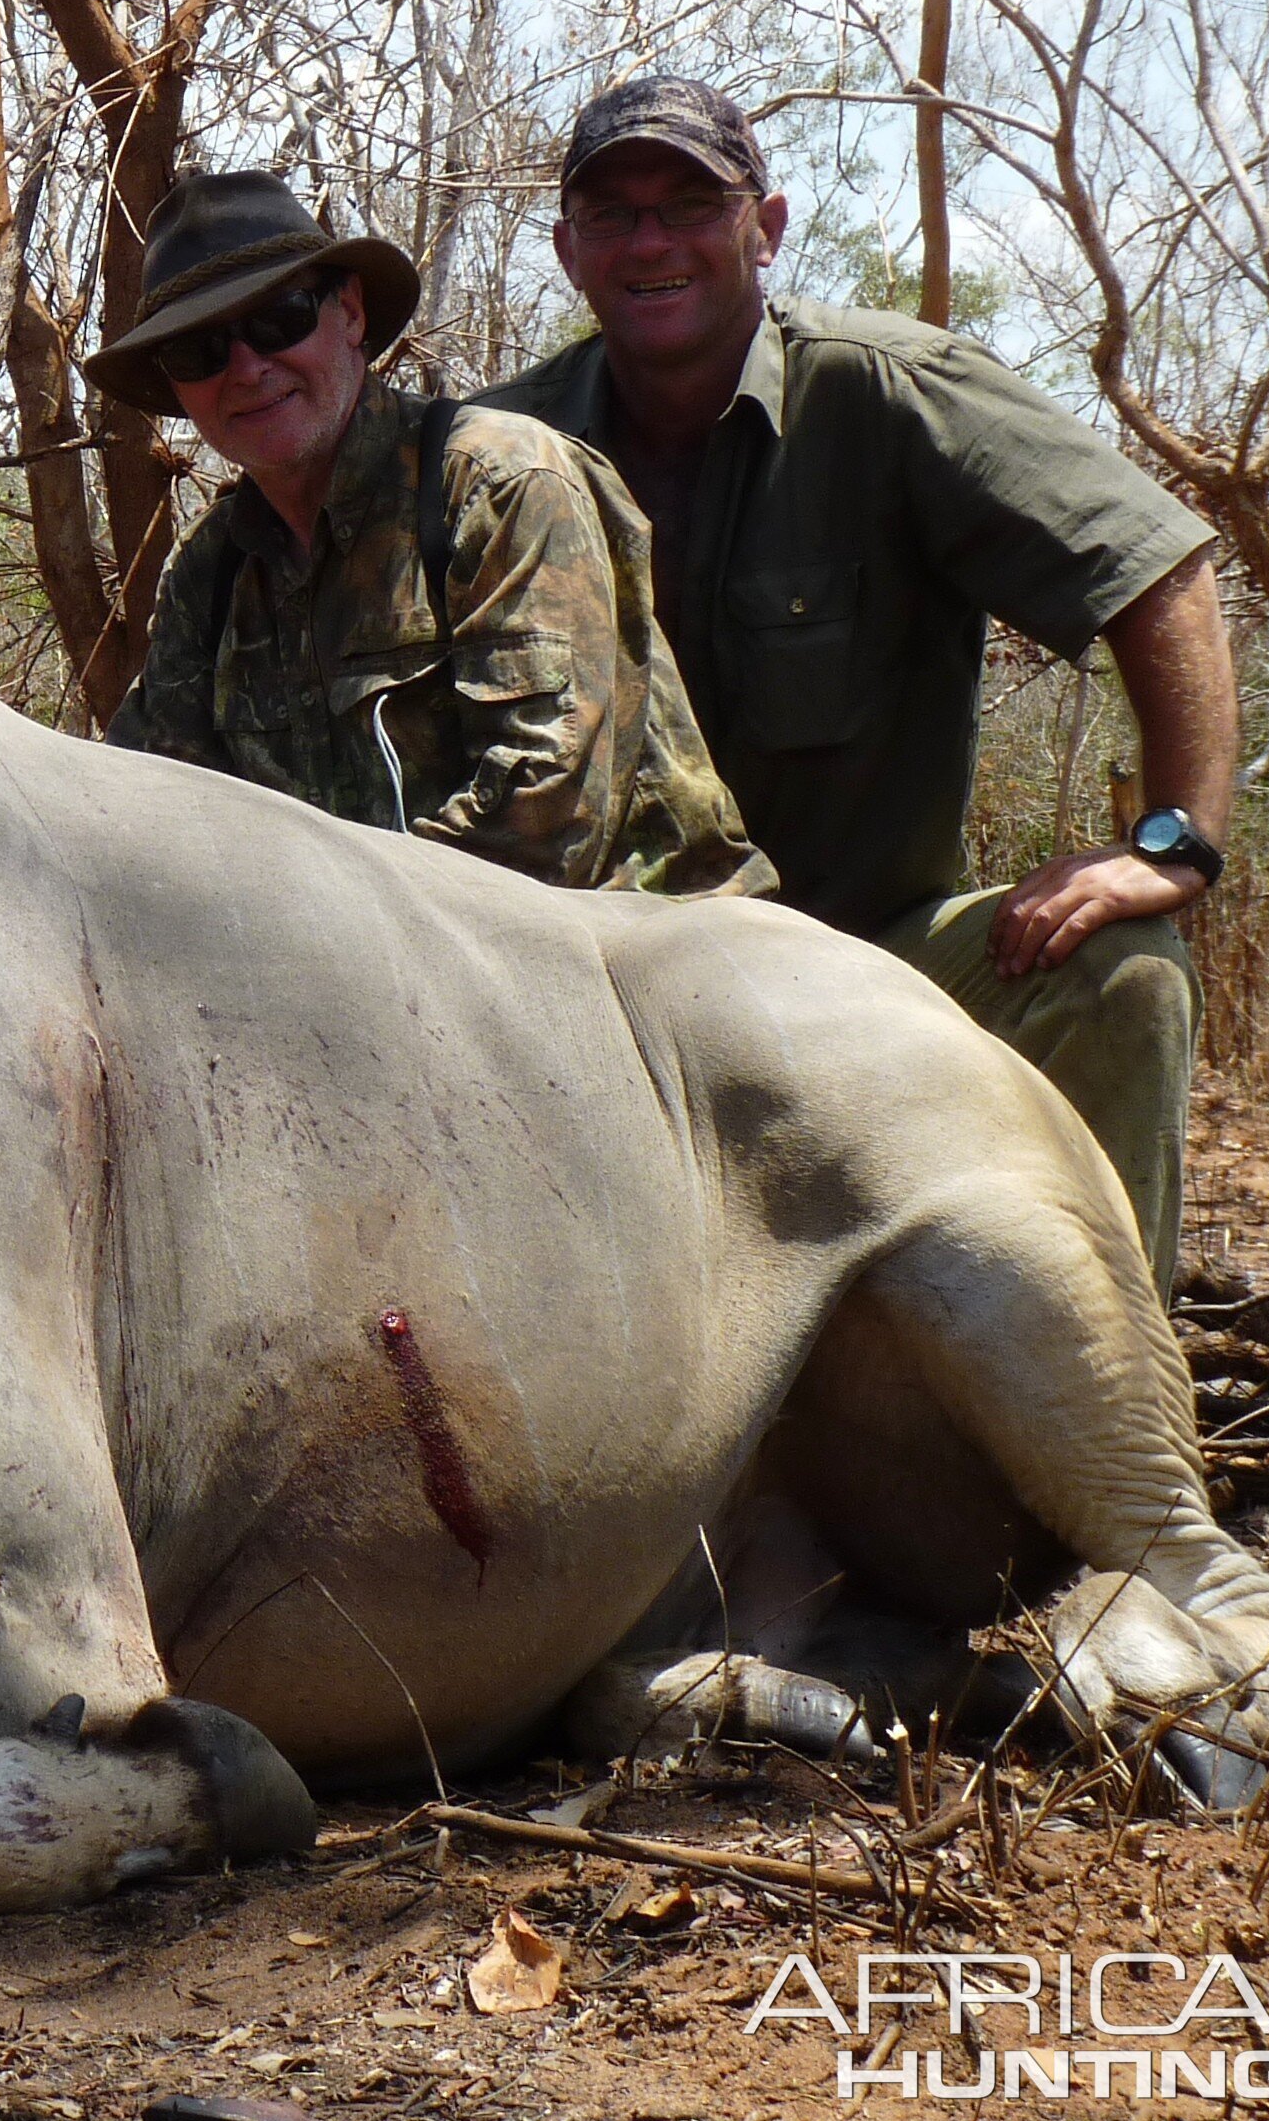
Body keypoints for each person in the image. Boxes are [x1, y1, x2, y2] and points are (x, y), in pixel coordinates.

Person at [472, 77, 1229, 1290]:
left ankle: (1107, 1405)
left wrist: (1173, 839)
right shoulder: (491, 453)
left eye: (690, 203)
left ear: (763, 226)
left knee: (1120, 973)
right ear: (567, 251)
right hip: (590, 1016)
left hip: (872, 971)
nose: (651, 240)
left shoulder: (887, 389)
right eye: (609, 215)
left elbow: (1158, 569)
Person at [96, 169, 768, 898]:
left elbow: (544, 821)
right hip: (375, 976)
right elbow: (150, 807)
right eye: (201, 352)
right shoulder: (212, 574)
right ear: (175, 385)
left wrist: (309, 927)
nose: (248, 368)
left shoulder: (498, 486)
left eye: (279, 318)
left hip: (635, 959)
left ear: (349, 313)